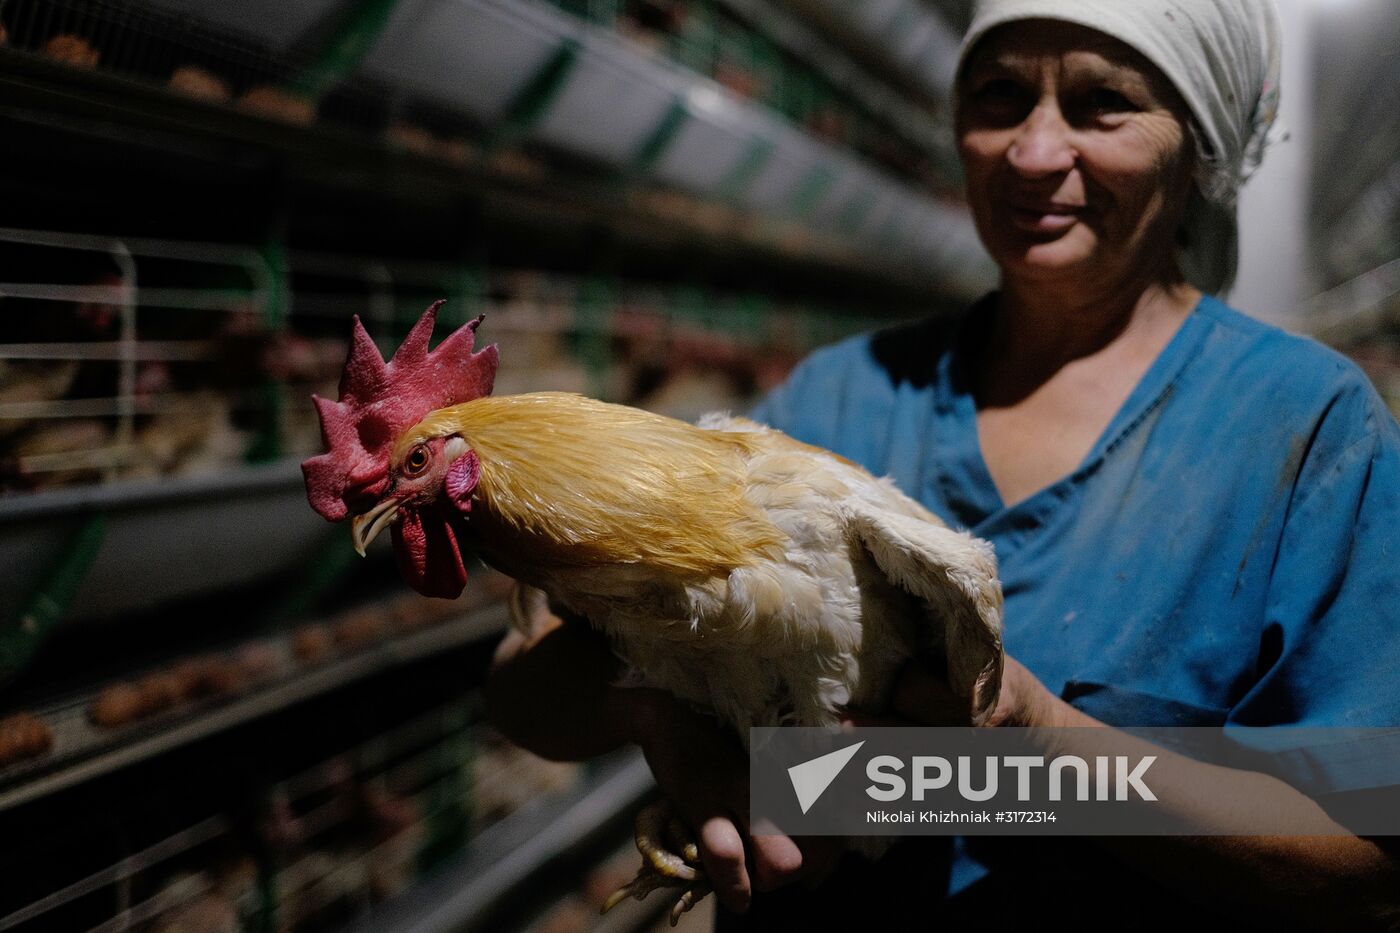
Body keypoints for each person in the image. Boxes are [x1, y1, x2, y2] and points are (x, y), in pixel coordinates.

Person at [485, 0, 1400, 927]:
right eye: (1000, 95)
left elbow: (1366, 862)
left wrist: (1032, 746)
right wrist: (658, 712)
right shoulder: (843, 398)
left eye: (1103, 103)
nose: (1035, 153)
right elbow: (526, 690)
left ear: (1198, 145)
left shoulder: (1304, 428)